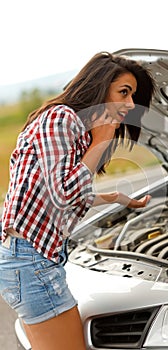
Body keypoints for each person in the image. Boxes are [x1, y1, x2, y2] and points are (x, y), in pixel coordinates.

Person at [0, 51, 155, 350]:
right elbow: (62, 195)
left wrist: (113, 197)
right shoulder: (61, 119)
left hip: (30, 259)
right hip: (30, 262)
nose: (131, 104)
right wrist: (100, 142)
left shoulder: (76, 128)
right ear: (99, 86)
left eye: (133, 95)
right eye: (124, 92)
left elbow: (48, 193)